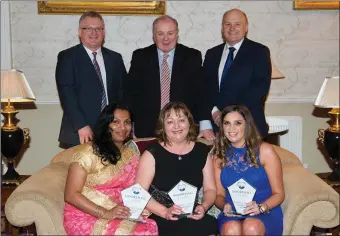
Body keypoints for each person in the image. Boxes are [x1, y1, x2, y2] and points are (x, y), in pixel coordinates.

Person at [63, 103, 158, 235]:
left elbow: (135, 188)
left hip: (118, 210)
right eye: (116, 122)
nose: (123, 127)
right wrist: (105, 213)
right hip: (85, 215)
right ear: (106, 125)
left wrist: (139, 207)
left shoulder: (130, 151)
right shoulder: (86, 153)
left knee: (150, 226)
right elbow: (71, 195)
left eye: (127, 122)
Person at [124, 15, 215, 140]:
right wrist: (129, 125)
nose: (166, 38)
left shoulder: (192, 56)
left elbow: (201, 93)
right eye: (160, 33)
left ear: (177, 34)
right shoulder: (140, 57)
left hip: (183, 128)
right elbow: (130, 94)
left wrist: (205, 124)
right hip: (147, 129)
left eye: (170, 33)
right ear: (154, 36)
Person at [136, 101, 218, 236]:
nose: (177, 126)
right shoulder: (152, 153)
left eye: (181, 120)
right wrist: (165, 212)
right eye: (170, 122)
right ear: (163, 126)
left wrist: (203, 206)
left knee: (209, 224)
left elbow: (210, 189)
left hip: (192, 213)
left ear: (189, 123)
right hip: (160, 214)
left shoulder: (202, 151)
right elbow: (139, 192)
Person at [56, 10, 127, 148]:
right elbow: (67, 94)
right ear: (79, 32)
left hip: (112, 130)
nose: (94, 33)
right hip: (81, 132)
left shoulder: (115, 58)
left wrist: (125, 124)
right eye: (88, 28)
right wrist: (81, 125)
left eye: (98, 29)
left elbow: (122, 93)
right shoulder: (68, 57)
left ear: (104, 32)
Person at [212, 104, 284, 235]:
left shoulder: (265, 151)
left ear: (247, 125)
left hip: (264, 210)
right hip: (234, 211)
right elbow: (219, 195)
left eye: (237, 123)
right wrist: (224, 206)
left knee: (251, 226)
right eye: (227, 123)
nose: (231, 128)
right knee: (231, 229)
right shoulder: (219, 156)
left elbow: (279, 194)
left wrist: (261, 207)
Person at [203, 9, 271, 139]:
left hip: (249, 128)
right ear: (222, 28)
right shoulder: (212, 54)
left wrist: (228, 116)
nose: (232, 28)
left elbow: (259, 89)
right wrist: (214, 112)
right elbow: (204, 89)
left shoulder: (259, 52)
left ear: (246, 27)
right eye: (227, 24)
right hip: (216, 129)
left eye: (237, 24)